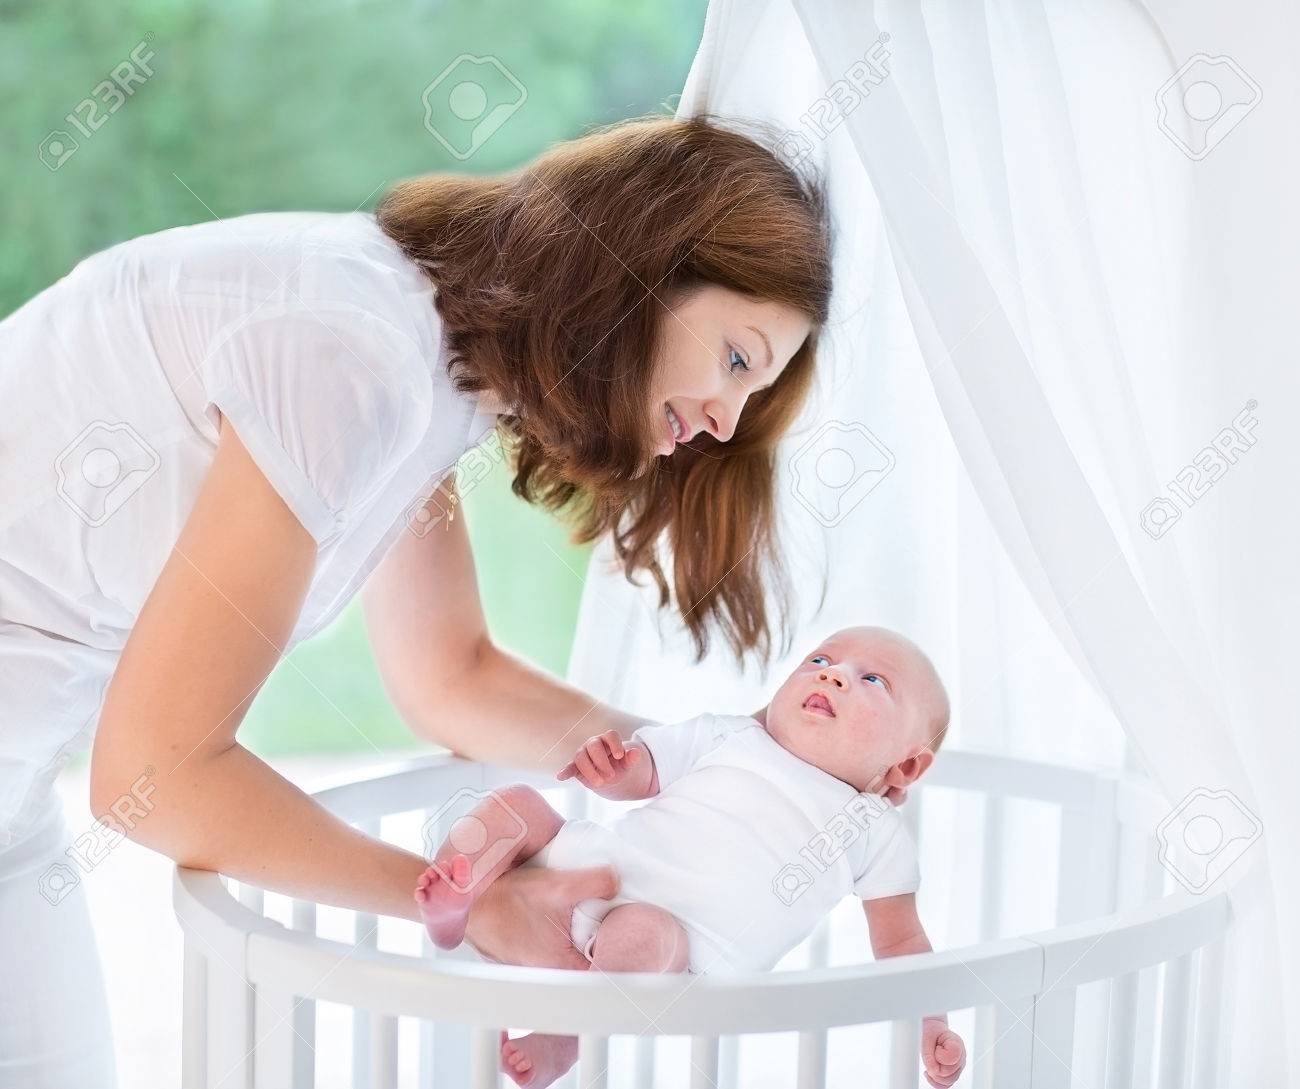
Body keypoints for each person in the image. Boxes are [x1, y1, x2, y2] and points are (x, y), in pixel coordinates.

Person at [0, 111, 831, 1086]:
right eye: (736, 359)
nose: (726, 422)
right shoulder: (355, 353)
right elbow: (156, 773)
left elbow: (450, 676)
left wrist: (717, 770)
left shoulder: (430, 361)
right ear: (643, 266)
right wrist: (459, 901)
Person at [416, 625, 965, 1089]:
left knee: (645, 932)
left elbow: (901, 942)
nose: (832, 673)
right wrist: (614, 773)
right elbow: (645, 771)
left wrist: (931, 1022)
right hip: (587, 869)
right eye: (820, 659)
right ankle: (451, 900)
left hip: (675, 949)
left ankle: (565, 1039)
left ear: (906, 768)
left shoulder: (873, 829)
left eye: (873, 680)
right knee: (516, 806)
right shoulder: (727, 735)